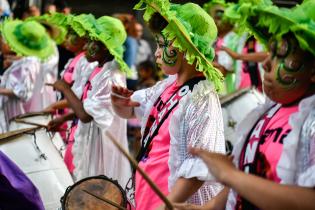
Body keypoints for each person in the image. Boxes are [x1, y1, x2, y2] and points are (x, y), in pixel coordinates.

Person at [173, 1, 315, 209]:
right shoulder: (268, 112)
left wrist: (229, 175)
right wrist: (207, 207)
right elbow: (248, 178)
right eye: (271, 52)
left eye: (282, 55)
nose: (265, 64)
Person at [112, 0, 226, 209]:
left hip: (170, 200)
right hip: (147, 193)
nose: (156, 53)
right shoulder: (166, 86)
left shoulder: (202, 97)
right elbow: (132, 111)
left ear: (185, 48)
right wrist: (120, 102)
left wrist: (168, 205)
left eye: (163, 45)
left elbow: (200, 167)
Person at [50, 14, 132, 187]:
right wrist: (63, 118)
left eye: (90, 42)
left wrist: (64, 87)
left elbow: (85, 115)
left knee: (97, 190)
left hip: (102, 148)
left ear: (105, 46)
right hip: (89, 141)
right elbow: (85, 104)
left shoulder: (112, 76)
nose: (85, 46)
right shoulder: (98, 69)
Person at [0, 20, 55, 133]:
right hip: (14, 115)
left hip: (17, 115)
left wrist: (1, 90)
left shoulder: (30, 63)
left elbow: (24, 92)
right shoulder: (29, 60)